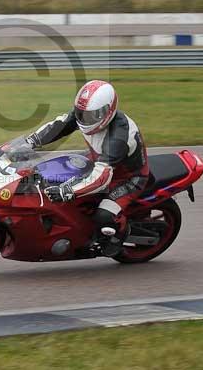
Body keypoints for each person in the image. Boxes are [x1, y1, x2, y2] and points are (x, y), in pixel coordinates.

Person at [26, 80, 149, 256]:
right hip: (97, 159)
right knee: (54, 174)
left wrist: (68, 190)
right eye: (81, 113)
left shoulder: (118, 138)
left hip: (127, 178)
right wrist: (29, 142)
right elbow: (59, 126)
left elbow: (101, 177)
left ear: (108, 111)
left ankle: (118, 235)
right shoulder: (86, 114)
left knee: (104, 215)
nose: (84, 119)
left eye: (91, 115)